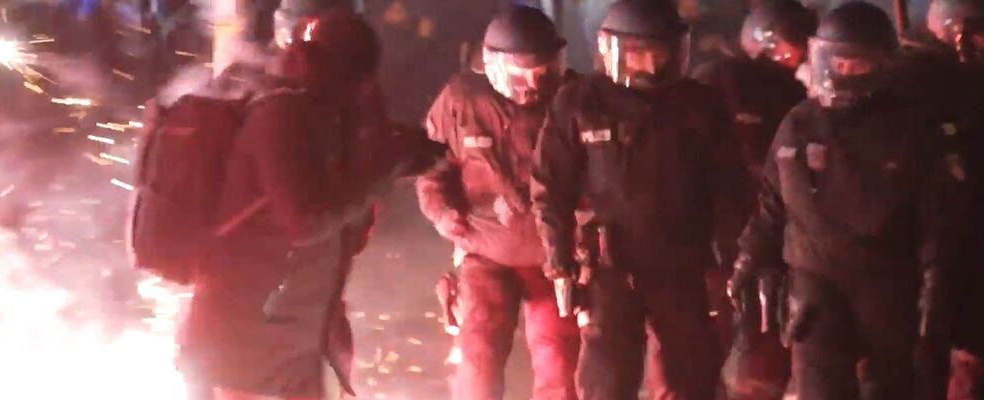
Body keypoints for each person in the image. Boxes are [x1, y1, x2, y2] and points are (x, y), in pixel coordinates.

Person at [730, 2, 972, 399]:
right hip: (816, 283)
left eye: (857, 65)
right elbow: (773, 206)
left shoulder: (913, 129)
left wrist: (936, 285)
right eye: (837, 63)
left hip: (890, 283)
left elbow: (938, 218)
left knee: (892, 388)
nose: (845, 74)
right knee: (820, 389)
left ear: (882, 65)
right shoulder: (800, 123)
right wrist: (751, 255)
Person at [532, 0, 748, 399]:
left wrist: (736, 261)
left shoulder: (699, 105)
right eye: (637, 55)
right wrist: (559, 264)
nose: (650, 66)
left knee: (690, 378)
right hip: (609, 265)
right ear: (611, 51)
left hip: (682, 263)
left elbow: (731, 190)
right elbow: (551, 189)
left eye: (659, 54)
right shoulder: (580, 102)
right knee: (606, 381)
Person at [177, 10, 382, 400]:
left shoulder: (325, 121)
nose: (358, 92)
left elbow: (342, 234)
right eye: (351, 78)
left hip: (285, 336)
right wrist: (379, 177)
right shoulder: (280, 116)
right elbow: (304, 222)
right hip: (242, 339)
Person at [415, 6, 580, 400]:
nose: (532, 88)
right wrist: (441, 211)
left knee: (558, 357)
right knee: (479, 349)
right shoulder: (461, 101)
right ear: (491, 66)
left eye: (544, 74)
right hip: (485, 249)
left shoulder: (573, 102)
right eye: (519, 76)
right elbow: (431, 167)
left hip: (554, 254)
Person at [900, 1, 984, 399]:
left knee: (979, 365)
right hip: (909, 252)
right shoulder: (900, 81)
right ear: (959, 31)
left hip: (971, 244)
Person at [688, 1, 816, 399]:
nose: (801, 58)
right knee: (704, 338)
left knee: (765, 337)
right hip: (717, 231)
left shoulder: (795, 92)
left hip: (772, 230)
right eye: (796, 49)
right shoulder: (716, 82)